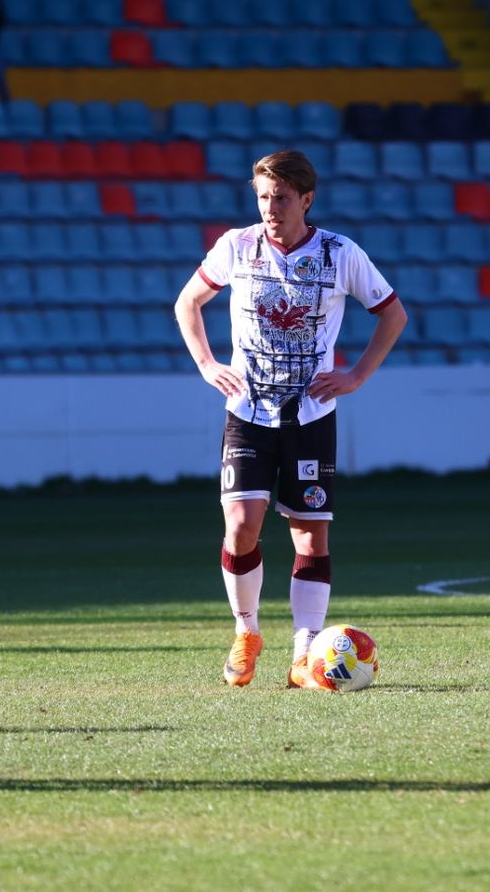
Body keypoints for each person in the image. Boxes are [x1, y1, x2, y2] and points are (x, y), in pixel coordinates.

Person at [173, 150, 407, 689]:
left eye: (281, 197)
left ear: (307, 198)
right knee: (240, 526)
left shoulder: (339, 253)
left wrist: (356, 376)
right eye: (263, 197)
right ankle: (246, 631)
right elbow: (188, 303)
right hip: (248, 412)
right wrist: (207, 364)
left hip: (311, 415)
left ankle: (305, 654)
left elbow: (393, 313)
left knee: (310, 539)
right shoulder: (237, 246)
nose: (270, 207)